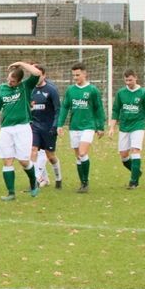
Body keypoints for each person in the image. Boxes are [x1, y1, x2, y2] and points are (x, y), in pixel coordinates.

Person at [0, 61, 43, 201]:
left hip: (22, 128)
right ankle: (11, 193)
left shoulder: (25, 86)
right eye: (9, 79)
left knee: (23, 161)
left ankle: (34, 183)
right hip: (6, 129)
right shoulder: (2, 89)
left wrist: (21, 63)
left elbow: (37, 73)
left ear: (19, 81)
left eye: (13, 81)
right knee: (7, 159)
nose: (10, 82)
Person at [56, 62, 106, 193]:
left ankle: (85, 182)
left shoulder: (92, 90)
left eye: (77, 75)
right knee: (78, 156)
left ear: (85, 74)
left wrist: (100, 126)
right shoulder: (70, 90)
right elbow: (65, 107)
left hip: (88, 126)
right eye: (74, 75)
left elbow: (98, 108)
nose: (75, 77)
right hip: (74, 126)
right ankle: (83, 183)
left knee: (83, 152)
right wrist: (60, 124)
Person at [109, 69, 145, 189]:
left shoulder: (143, 93)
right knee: (124, 156)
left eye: (130, 80)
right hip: (124, 126)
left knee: (135, 150)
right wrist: (112, 127)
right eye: (126, 80)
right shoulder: (121, 93)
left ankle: (133, 182)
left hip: (138, 125)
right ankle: (136, 172)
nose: (128, 82)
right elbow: (115, 110)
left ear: (136, 78)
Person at [29, 64, 63, 189]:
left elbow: (58, 109)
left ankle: (58, 177)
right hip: (35, 126)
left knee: (50, 156)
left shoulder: (51, 90)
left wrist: (55, 126)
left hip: (49, 127)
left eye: (38, 75)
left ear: (44, 75)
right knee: (33, 150)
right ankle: (36, 179)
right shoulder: (31, 90)